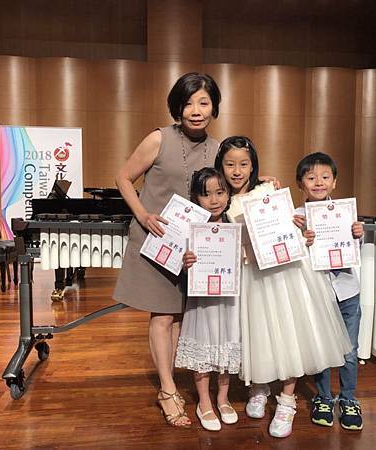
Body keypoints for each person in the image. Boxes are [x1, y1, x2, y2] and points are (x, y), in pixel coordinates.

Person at [215, 136, 352, 438]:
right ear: (220, 166)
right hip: (251, 274)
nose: (237, 171)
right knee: (260, 332)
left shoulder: (268, 190)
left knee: (290, 331)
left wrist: (303, 232)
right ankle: (259, 386)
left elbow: (290, 223)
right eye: (230, 164)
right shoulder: (221, 198)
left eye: (244, 164)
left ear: (253, 165)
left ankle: (287, 400)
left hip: (284, 270)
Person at [114, 72, 222, 427]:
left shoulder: (218, 149)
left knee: (178, 318)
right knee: (162, 316)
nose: (196, 110)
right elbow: (123, 177)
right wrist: (143, 215)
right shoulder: (158, 138)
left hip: (193, 250)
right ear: (178, 107)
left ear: (214, 108)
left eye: (203, 103)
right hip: (157, 240)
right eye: (188, 103)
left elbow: (234, 182)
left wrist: (263, 181)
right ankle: (167, 389)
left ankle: (170, 381)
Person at [295, 151, 364, 431]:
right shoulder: (296, 218)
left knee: (350, 350)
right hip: (317, 291)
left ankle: (348, 398)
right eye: (311, 177)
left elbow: (353, 251)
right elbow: (291, 255)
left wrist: (358, 234)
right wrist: (302, 240)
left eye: (325, 177)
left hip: (347, 290)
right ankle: (323, 397)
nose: (318, 182)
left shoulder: (345, 213)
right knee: (322, 347)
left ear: (334, 182)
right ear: (300, 183)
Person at [174, 167, 240, 431]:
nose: (214, 200)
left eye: (220, 192)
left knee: (226, 342)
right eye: (206, 194)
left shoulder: (235, 224)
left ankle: (223, 397)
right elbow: (179, 264)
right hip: (202, 300)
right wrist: (186, 262)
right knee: (203, 343)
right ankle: (204, 401)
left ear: (228, 194)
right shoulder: (191, 229)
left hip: (229, 299)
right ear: (195, 199)